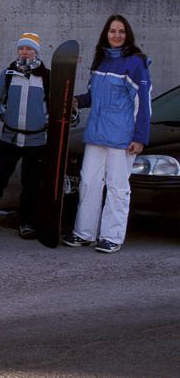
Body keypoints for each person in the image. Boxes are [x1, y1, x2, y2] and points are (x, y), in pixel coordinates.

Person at [63, 15, 151, 254]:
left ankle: (112, 236)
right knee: (88, 183)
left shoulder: (136, 63)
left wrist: (140, 138)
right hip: (96, 134)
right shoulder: (100, 60)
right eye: (113, 31)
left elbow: (143, 103)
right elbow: (94, 96)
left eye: (121, 31)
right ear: (106, 34)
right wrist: (77, 101)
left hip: (122, 137)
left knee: (117, 187)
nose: (117, 35)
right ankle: (85, 233)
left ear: (127, 34)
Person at [0, 33, 49, 239]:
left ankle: (27, 223)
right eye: (22, 48)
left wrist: (45, 121)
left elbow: (54, 106)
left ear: (36, 51)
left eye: (29, 48)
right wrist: (4, 116)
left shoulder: (46, 76)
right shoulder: (9, 73)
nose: (25, 52)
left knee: (32, 183)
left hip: (36, 141)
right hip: (10, 138)